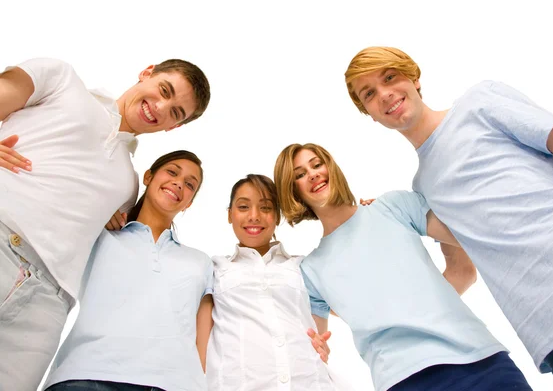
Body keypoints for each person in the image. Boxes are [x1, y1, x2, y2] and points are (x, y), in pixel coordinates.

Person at [345, 46, 553, 391]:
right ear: (369, 114)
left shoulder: (480, 103)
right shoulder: (423, 191)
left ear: (414, 78)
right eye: (370, 94)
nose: (385, 94)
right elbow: (462, 273)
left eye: (390, 77)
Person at [0, 58, 210, 390]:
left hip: (48, 304)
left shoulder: (128, 186)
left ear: (174, 127)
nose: (160, 107)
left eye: (175, 112)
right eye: (164, 90)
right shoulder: (62, 80)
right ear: (147, 72)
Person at [274, 143, 533, 391]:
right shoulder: (311, 270)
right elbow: (316, 347)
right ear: (293, 191)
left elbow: (467, 244)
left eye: (317, 164)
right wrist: (317, 350)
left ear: (330, 166)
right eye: (300, 174)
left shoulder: (392, 207)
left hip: (479, 360)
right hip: (403, 381)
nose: (313, 175)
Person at [43, 150, 213, 391]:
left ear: (189, 202)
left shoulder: (201, 262)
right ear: (148, 177)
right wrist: (99, 211)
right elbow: (54, 201)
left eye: (189, 185)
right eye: (172, 172)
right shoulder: (100, 236)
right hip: (84, 374)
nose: (178, 183)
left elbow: (203, 344)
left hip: (172, 383)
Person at [203, 174, 351, 391]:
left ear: (278, 215)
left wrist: (363, 216)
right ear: (229, 215)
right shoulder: (213, 269)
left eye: (265, 208)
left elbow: (358, 302)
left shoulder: (303, 267)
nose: (254, 216)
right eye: (243, 207)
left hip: (309, 383)